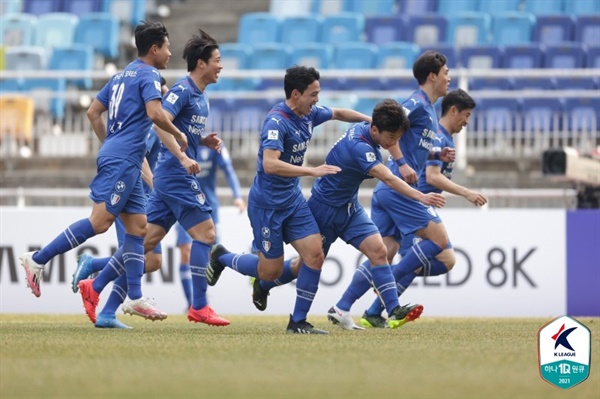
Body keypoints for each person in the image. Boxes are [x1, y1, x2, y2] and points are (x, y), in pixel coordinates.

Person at [19, 22, 186, 318]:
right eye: (168, 47)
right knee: (99, 222)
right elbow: (154, 113)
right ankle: (37, 259)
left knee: (138, 228)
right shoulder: (149, 74)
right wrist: (178, 134)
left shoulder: (121, 75)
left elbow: (93, 111)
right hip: (123, 160)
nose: (171, 53)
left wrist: (110, 142)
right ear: (154, 49)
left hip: (125, 158)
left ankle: (134, 297)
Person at [76, 28, 229, 327]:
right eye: (218, 60)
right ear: (202, 64)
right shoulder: (182, 91)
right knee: (207, 235)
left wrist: (201, 141)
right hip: (174, 175)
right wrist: (184, 157)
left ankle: (94, 286)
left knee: (146, 248)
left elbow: (181, 132)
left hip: (165, 178)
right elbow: (159, 125)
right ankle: (199, 306)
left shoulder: (202, 98)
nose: (221, 66)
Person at [206, 65, 372, 334]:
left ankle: (298, 322)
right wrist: (312, 170)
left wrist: (370, 121)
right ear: (296, 94)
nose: (317, 99)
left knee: (315, 254)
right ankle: (222, 256)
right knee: (268, 272)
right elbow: (271, 164)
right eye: (313, 94)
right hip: (267, 205)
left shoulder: (308, 114)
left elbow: (339, 113)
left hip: (292, 200)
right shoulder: (276, 122)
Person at [268, 99, 446, 331]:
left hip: (348, 208)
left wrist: (402, 160)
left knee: (379, 250)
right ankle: (272, 293)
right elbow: (389, 179)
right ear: (375, 130)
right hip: (324, 208)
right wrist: (420, 196)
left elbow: (377, 131)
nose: (394, 144)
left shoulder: (373, 130)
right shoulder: (360, 146)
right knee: (305, 265)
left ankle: (393, 309)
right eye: (392, 138)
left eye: (398, 139)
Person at [330, 50, 456, 329]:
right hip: (399, 187)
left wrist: (436, 155)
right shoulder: (416, 103)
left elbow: (413, 145)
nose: (450, 78)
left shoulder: (430, 109)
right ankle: (388, 284)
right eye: (446, 73)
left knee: (383, 252)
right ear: (432, 76)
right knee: (439, 240)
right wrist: (400, 161)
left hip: (391, 189)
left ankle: (342, 307)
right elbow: (393, 128)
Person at [361, 89, 488, 327]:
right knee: (429, 257)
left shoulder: (440, 139)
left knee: (431, 260)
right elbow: (432, 176)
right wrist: (467, 193)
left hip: (413, 202)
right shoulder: (436, 134)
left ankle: (375, 309)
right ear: (454, 110)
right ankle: (374, 305)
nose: (467, 121)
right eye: (467, 115)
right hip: (411, 203)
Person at [71, 77, 170, 329]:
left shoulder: (158, 122)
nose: (167, 99)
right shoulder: (147, 125)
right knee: (138, 255)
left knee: (152, 261)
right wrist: (154, 185)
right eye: (164, 94)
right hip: (134, 193)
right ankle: (98, 288)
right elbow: (141, 157)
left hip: (142, 194)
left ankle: (102, 298)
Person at [175, 143, 246, 309]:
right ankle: (190, 303)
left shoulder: (213, 145)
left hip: (209, 207)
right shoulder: (178, 143)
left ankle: (201, 300)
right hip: (185, 204)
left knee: (209, 254)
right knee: (186, 251)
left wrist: (237, 196)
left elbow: (228, 170)